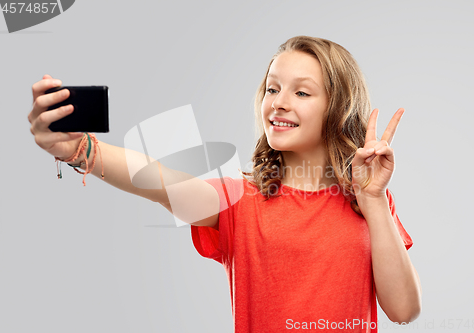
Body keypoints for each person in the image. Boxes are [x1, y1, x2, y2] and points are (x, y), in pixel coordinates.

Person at [28, 35, 421, 332]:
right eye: (272, 88)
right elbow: (161, 180)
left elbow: (403, 310)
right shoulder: (241, 200)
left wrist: (373, 199)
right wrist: (80, 148)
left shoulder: (368, 202)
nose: (278, 102)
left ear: (336, 107)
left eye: (301, 91)